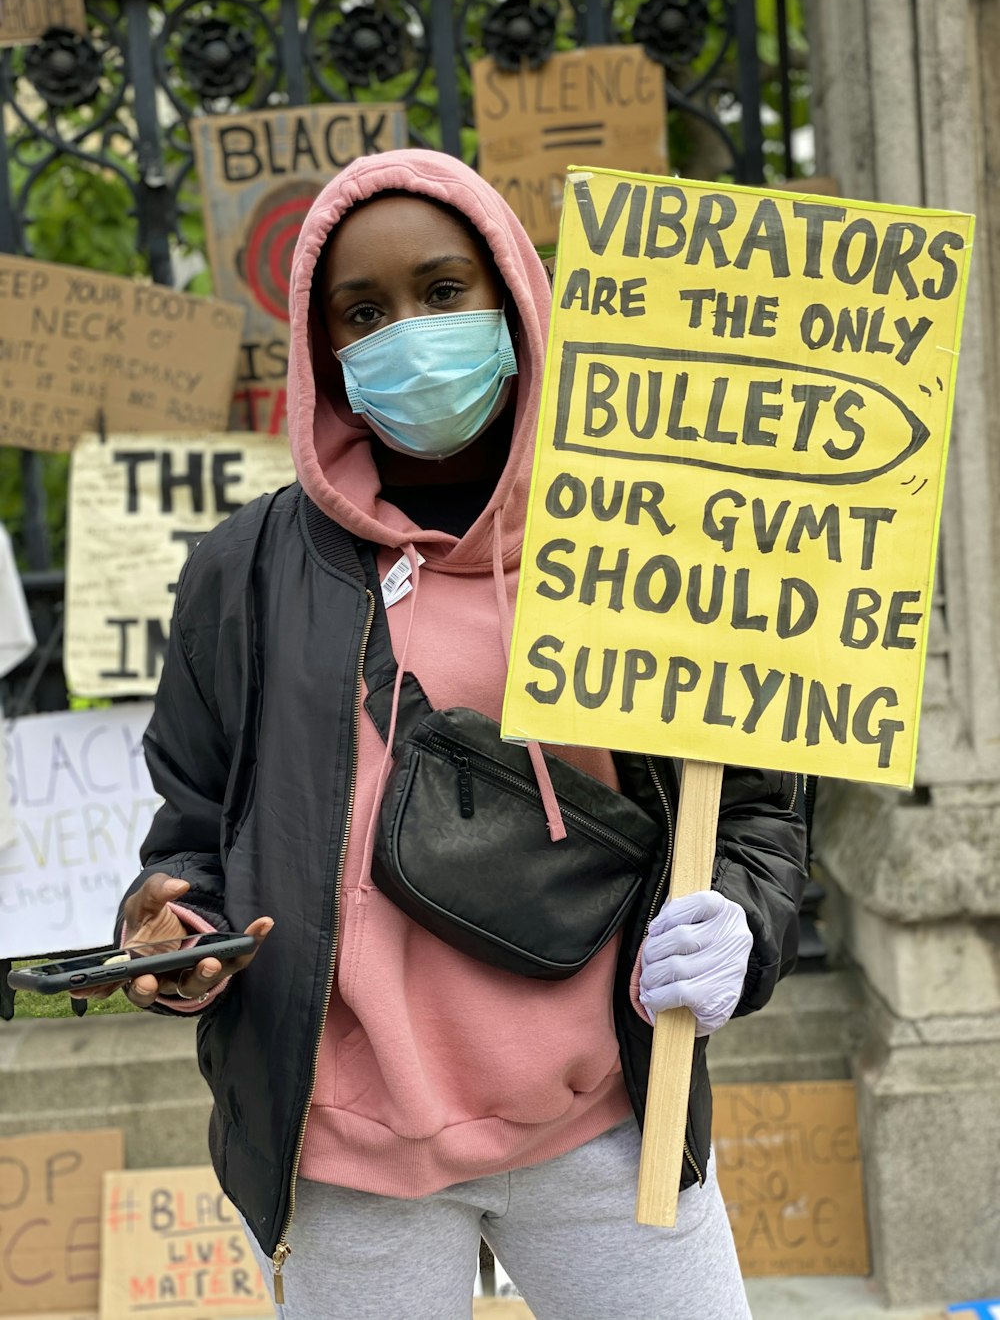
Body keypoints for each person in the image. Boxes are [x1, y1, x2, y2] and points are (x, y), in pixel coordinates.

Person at [79, 150, 807, 1319]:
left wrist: (743, 927)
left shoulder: (646, 537)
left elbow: (758, 810)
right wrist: (175, 928)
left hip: (610, 1125)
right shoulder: (244, 570)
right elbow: (197, 833)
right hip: (344, 1161)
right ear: (326, 354)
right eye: (362, 312)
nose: (406, 331)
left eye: (442, 290)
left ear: (514, 298)